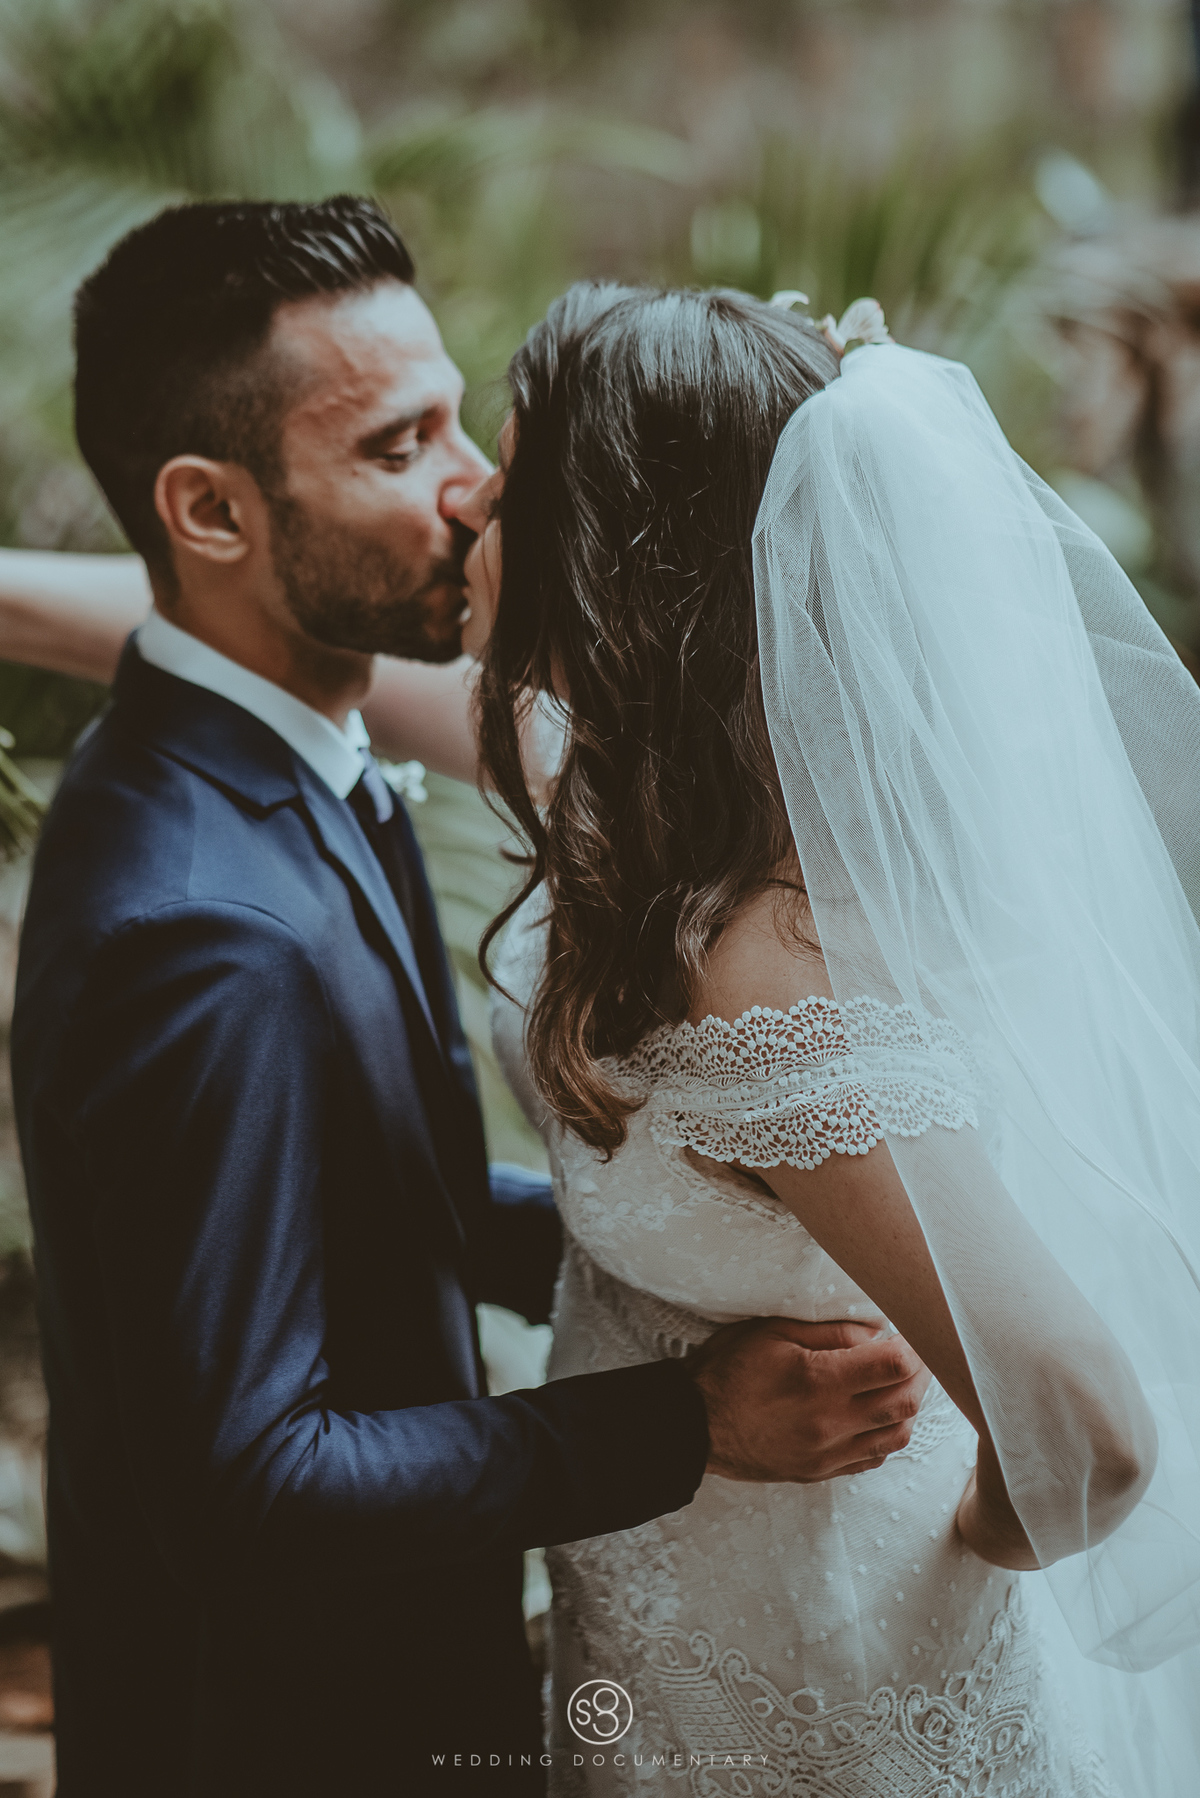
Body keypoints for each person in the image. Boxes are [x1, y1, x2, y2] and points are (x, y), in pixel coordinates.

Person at [3, 204, 932, 1796]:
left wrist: (665, 1228)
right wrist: (683, 1424)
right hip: (294, 1735)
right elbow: (246, 1484)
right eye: (397, 443)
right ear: (209, 513)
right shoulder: (205, 929)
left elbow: (367, 1197)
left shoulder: (277, 751)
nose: (479, 486)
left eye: (455, 416)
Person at [458, 284, 1200, 1795]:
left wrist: (964, 1544)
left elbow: (1091, 1424)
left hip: (835, 1670)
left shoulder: (758, 973)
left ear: (607, 564)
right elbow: (383, 696)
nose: (468, 493)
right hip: (662, 1614)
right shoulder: (627, 785)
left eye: (508, 475)